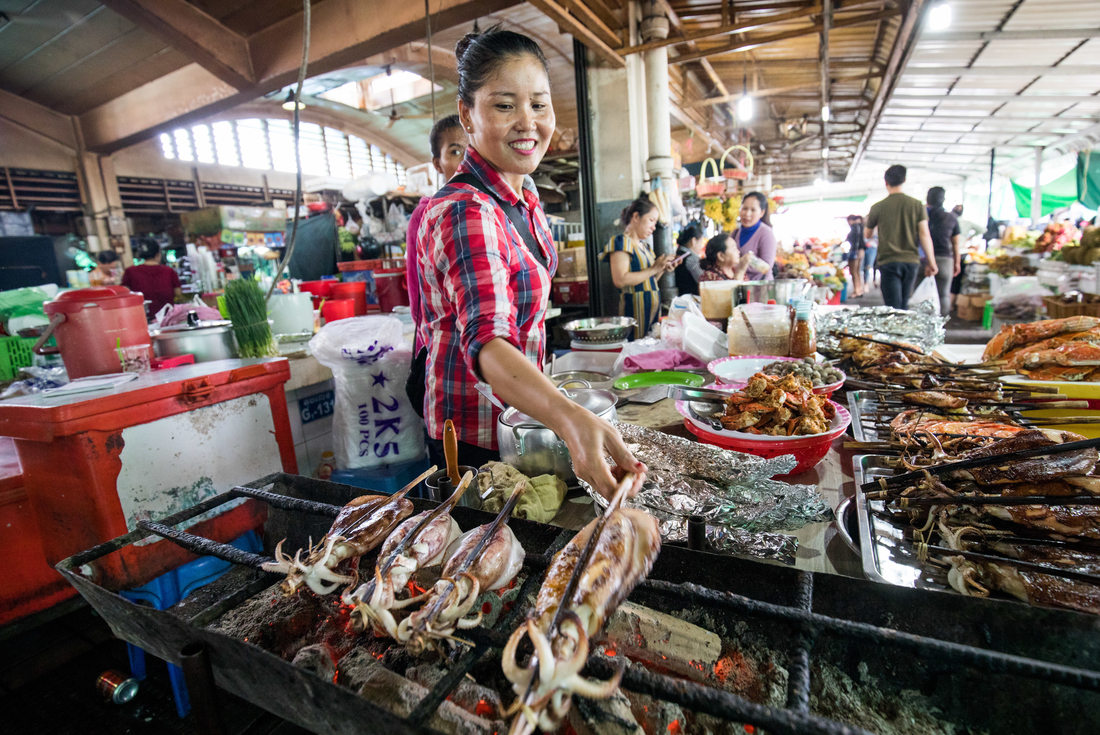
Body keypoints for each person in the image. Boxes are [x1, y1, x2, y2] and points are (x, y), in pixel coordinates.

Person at [416, 26, 645, 501]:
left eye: (538, 105)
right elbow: (489, 341)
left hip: (520, 416)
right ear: (468, 115)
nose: (528, 122)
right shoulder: (466, 210)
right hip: (476, 438)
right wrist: (570, 417)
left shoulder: (525, 194)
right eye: (505, 105)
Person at [406, 115, 468, 351]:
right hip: (448, 352)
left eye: (472, 149)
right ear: (437, 163)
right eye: (455, 151)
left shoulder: (493, 209)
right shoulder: (425, 216)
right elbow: (418, 300)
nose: (466, 160)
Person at [864, 165, 936, 310]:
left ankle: (896, 331)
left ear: (886, 182)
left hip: (888, 261)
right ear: (904, 180)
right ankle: (904, 331)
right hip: (911, 262)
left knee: (893, 307)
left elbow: (867, 235)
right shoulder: (916, 205)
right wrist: (931, 262)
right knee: (904, 304)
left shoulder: (878, 207)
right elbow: (924, 234)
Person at [603, 197, 674, 339]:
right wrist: (654, 268)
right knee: (636, 350)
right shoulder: (620, 242)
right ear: (636, 217)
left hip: (652, 312)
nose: (654, 227)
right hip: (634, 311)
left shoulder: (646, 247)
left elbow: (650, 279)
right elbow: (620, 280)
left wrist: (662, 268)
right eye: (651, 220)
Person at [121, 237, 182, 321]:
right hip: (167, 319)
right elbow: (178, 293)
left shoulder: (130, 271)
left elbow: (124, 294)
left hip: (141, 319)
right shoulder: (169, 271)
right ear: (158, 255)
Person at [923, 187, 961, 315]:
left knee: (920, 294)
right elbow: (955, 243)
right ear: (943, 199)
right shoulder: (952, 218)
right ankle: (940, 325)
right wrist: (957, 263)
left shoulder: (922, 216)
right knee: (943, 295)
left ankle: (921, 325)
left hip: (924, 258)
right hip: (945, 259)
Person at [732, 191, 777, 281]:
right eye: (745, 208)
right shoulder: (735, 233)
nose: (747, 214)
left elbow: (766, 266)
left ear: (762, 212)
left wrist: (739, 265)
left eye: (753, 210)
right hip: (740, 285)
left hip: (760, 288)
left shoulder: (766, 234)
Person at [673, 222, 705, 296]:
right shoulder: (690, 258)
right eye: (700, 243)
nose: (701, 247)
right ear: (693, 241)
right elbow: (703, 281)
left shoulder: (679, 253)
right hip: (689, 299)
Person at [845, 215, 866, 297]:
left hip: (855, 252)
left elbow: (856, 240)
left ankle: (856, 290)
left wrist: (856, 250)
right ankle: (859, 289)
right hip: (859, 251)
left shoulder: (855, 227)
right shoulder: (860, 227)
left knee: (854, 272)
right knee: (857, 272)